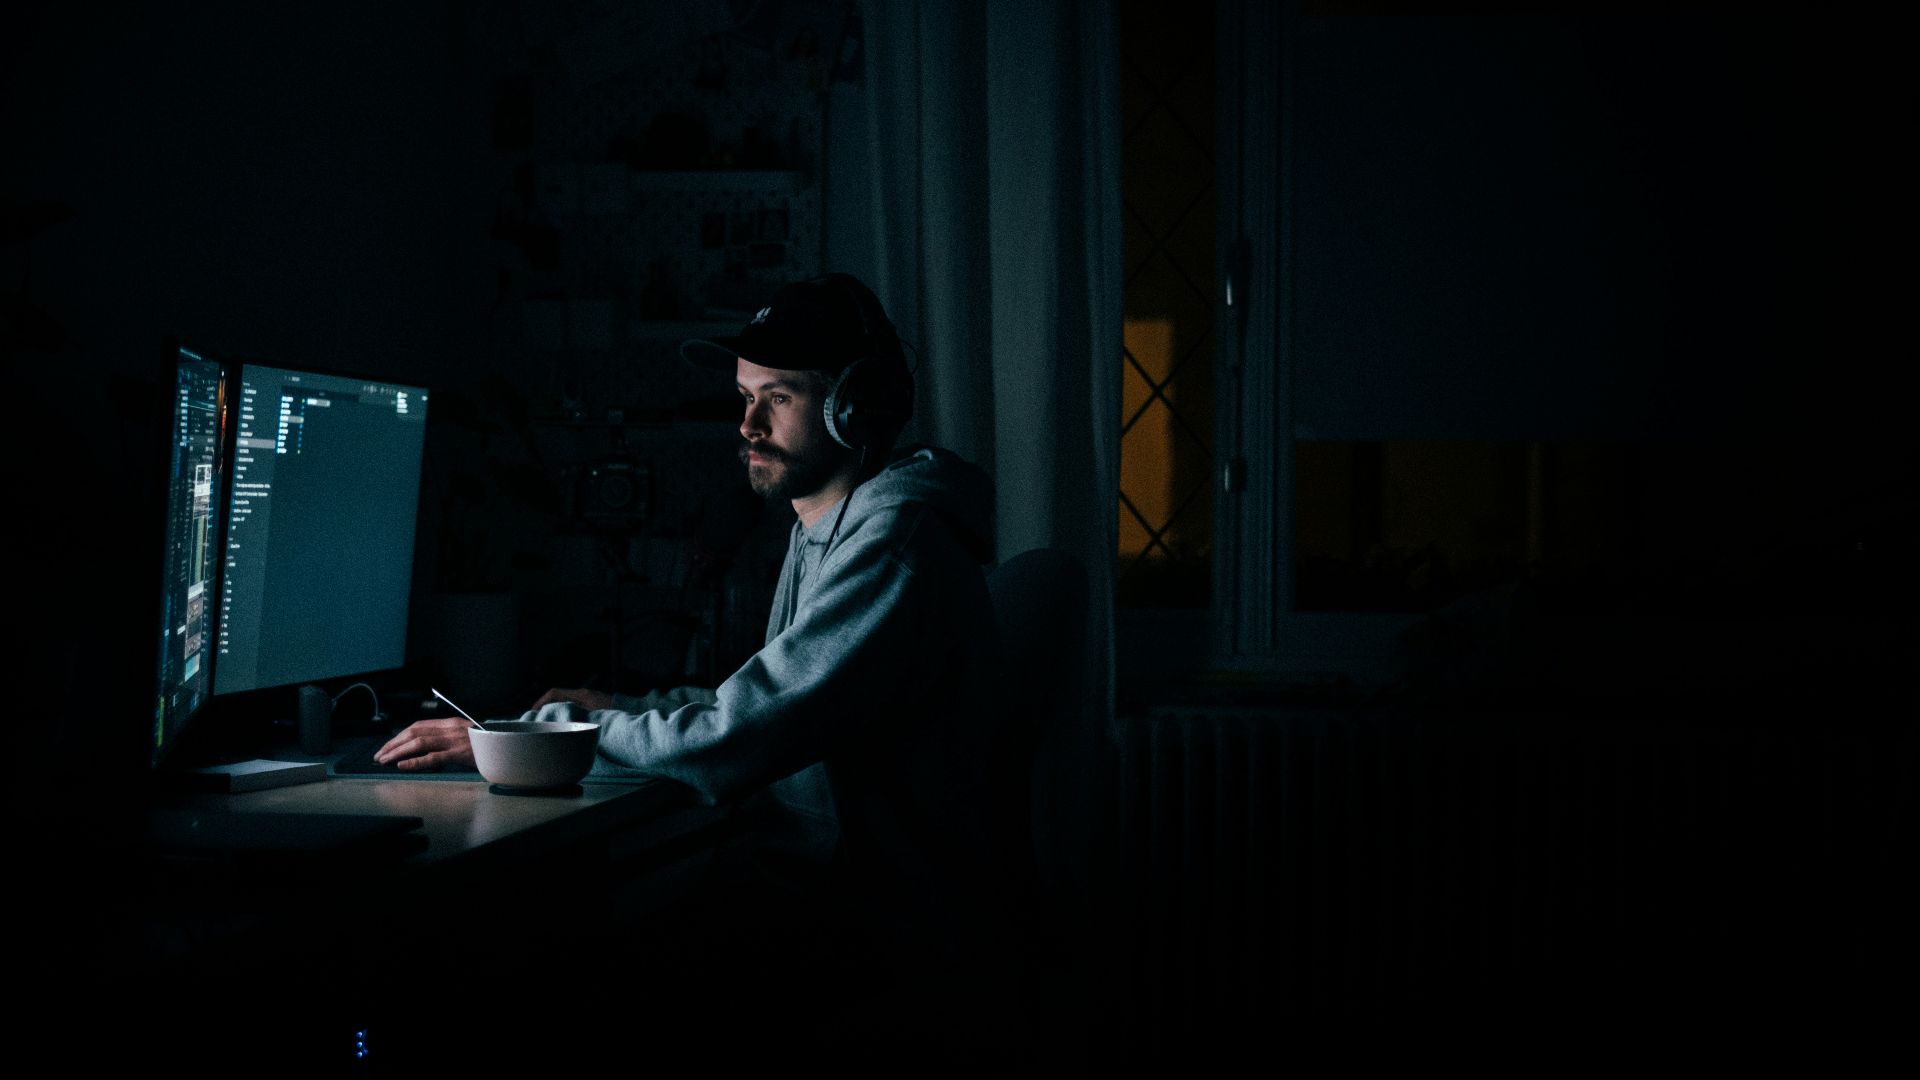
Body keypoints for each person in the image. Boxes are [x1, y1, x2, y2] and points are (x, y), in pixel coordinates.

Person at [377, 273, 1021, 1053]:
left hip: (879, 934)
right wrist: (613, 710)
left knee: (529, 983)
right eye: (743, 396)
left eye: (777, 398)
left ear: (858, 408)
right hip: (829, 904)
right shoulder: (832, 523)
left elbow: (734, 738)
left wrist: (552, 730)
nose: (746, 425)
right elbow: (762, 698)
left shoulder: (893, 545)